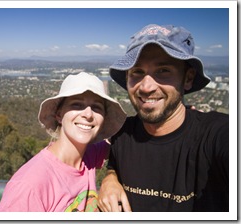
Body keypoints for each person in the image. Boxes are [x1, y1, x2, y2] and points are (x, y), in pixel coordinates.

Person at [98, 24, 229, 212]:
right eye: (137, 72)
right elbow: (115, 164)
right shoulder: (122, 133)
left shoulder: (216, 135)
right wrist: (110, 178)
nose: (146, 87)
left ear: (188, 78)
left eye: (163, 71)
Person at [0, 72, 126, 212]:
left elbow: (123, 146)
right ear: (59, 115)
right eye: (77, 105)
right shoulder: (29, 187)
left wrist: (111, 176)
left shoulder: (89, 154)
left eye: (96, 107)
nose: (88, 114)